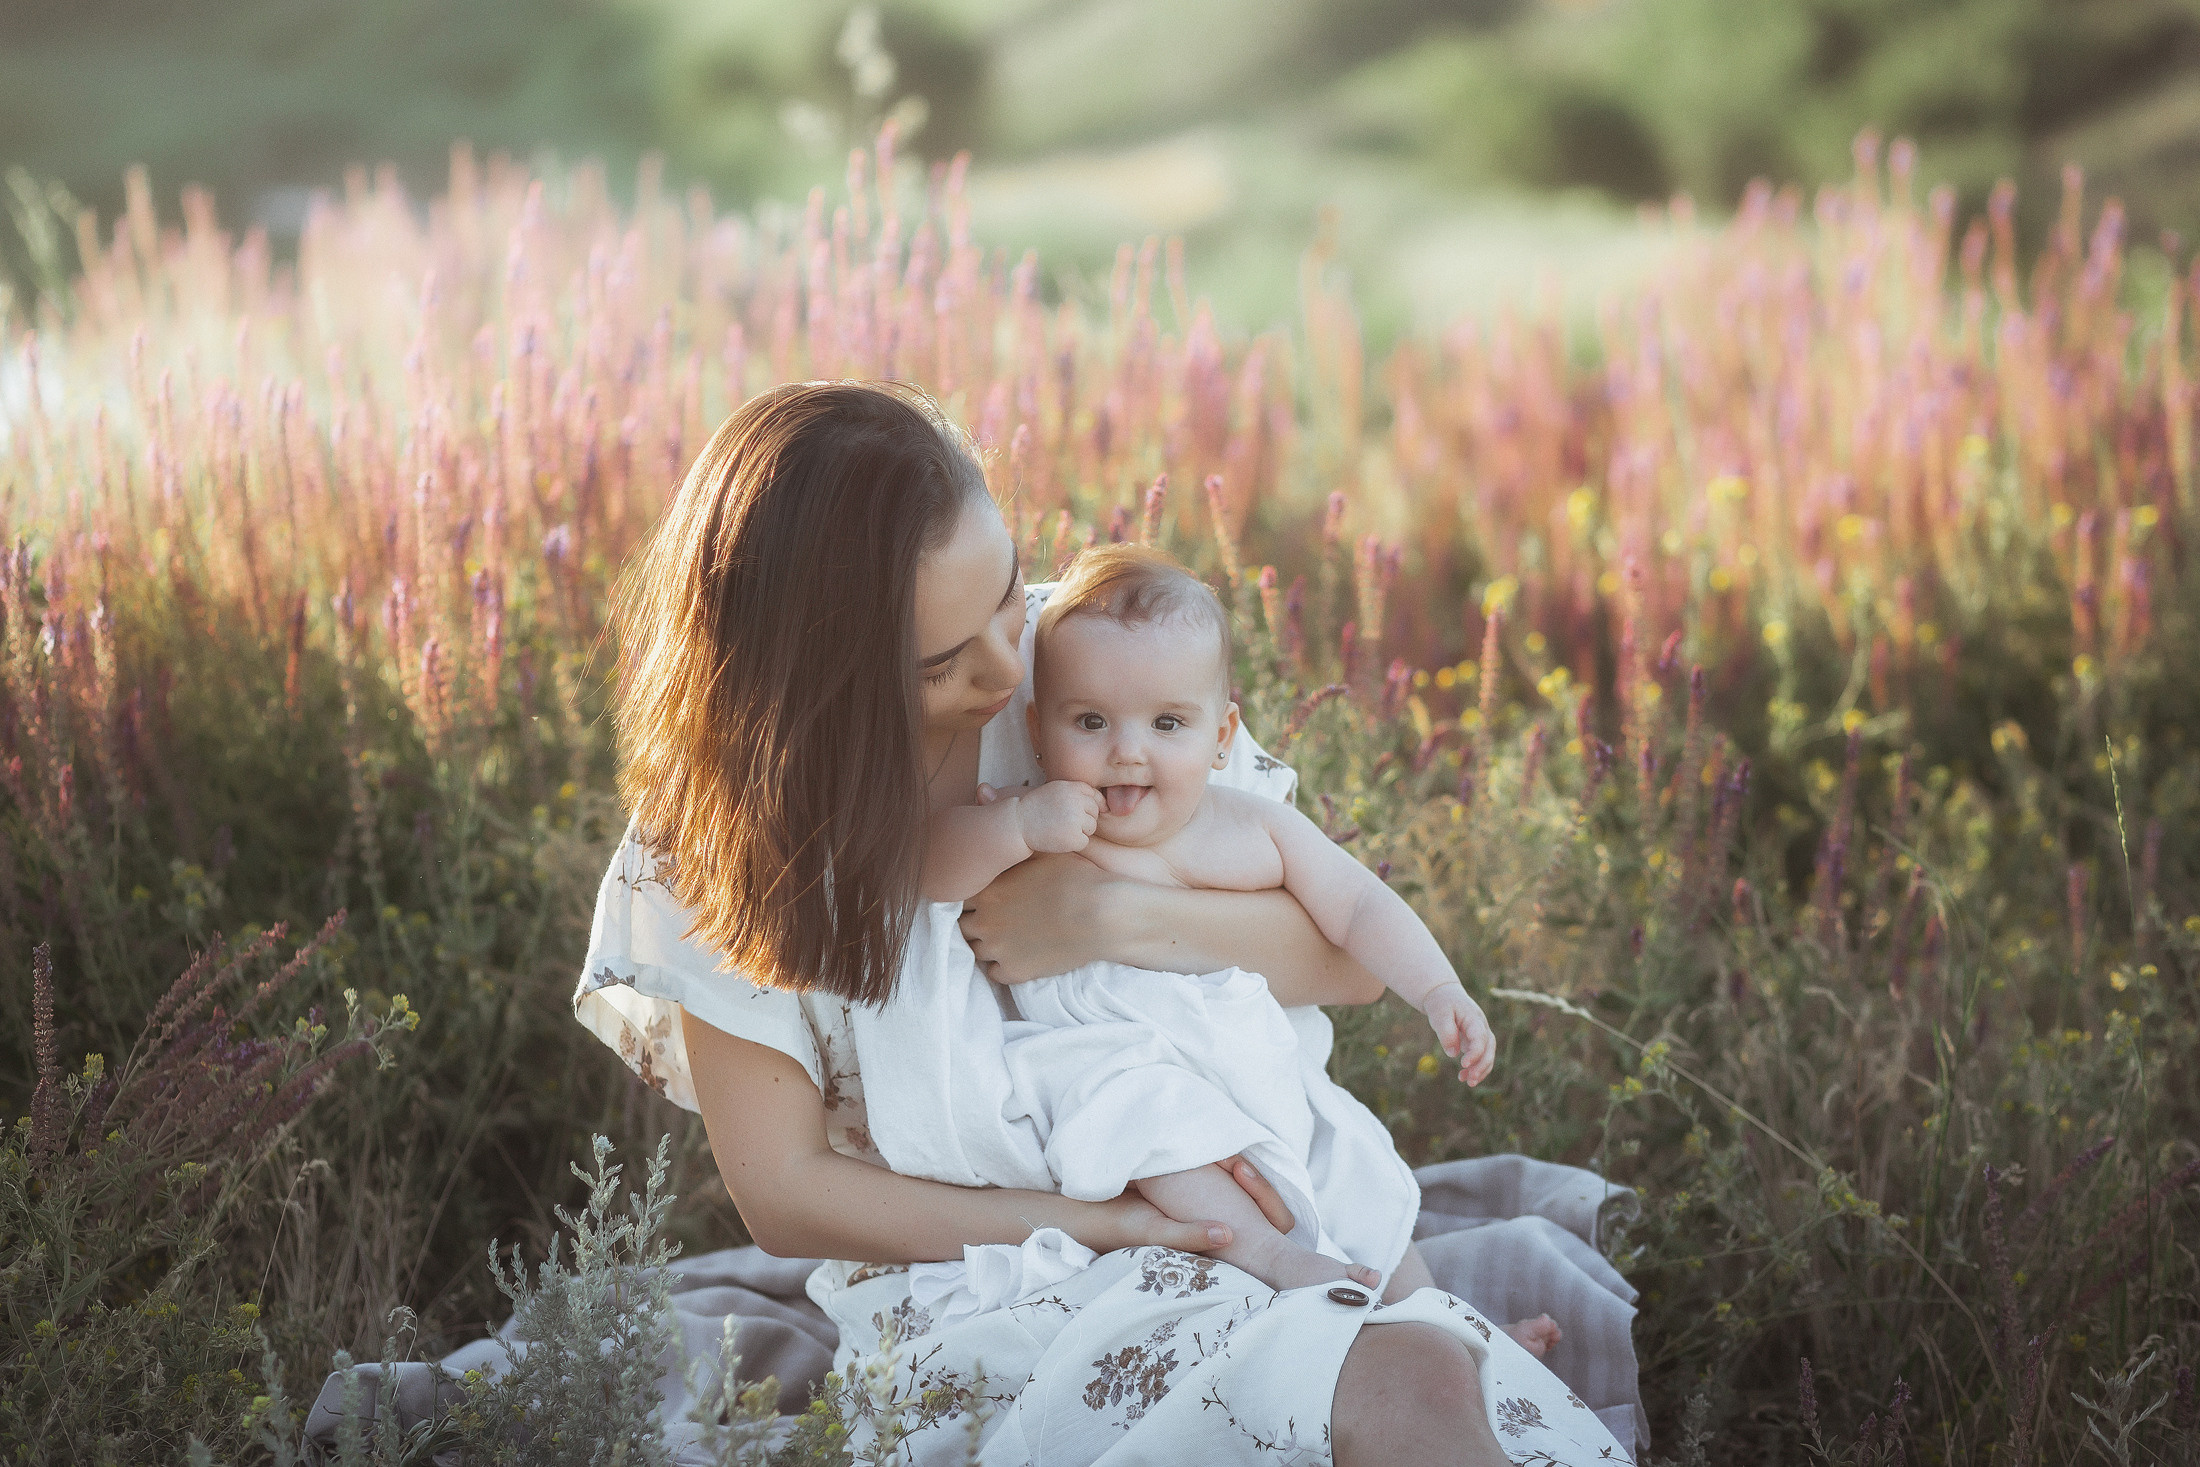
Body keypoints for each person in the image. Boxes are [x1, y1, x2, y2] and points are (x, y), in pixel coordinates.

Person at [575, 380, 1634, 1465]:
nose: (1005, 666)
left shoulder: (1094, 667)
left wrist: (1111, 916)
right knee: (1351, 1381)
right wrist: (1113, 1223)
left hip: (1227, 1191)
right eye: (941, 662)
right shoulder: (711, 849)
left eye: (1002, 593)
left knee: (1402, 1374)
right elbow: (789, 1198)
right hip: (982, 1274)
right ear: (817, 684)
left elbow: (1338, 960)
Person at [920, 543, 1554, 1354]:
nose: (1128, 749)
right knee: (1148, 1115)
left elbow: (1357, 903)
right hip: (1115, 1057)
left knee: (1352, 1165)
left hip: (1255, 1066)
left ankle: (1450, 1326)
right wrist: (1014, 826)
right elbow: (931, 867)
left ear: (1222, 735)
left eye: (1167, 723)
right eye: (1090, 722)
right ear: (1040, 734)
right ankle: (1268, 1254)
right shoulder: (1040, 813)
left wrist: (1437, 989)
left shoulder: (1250, 828)